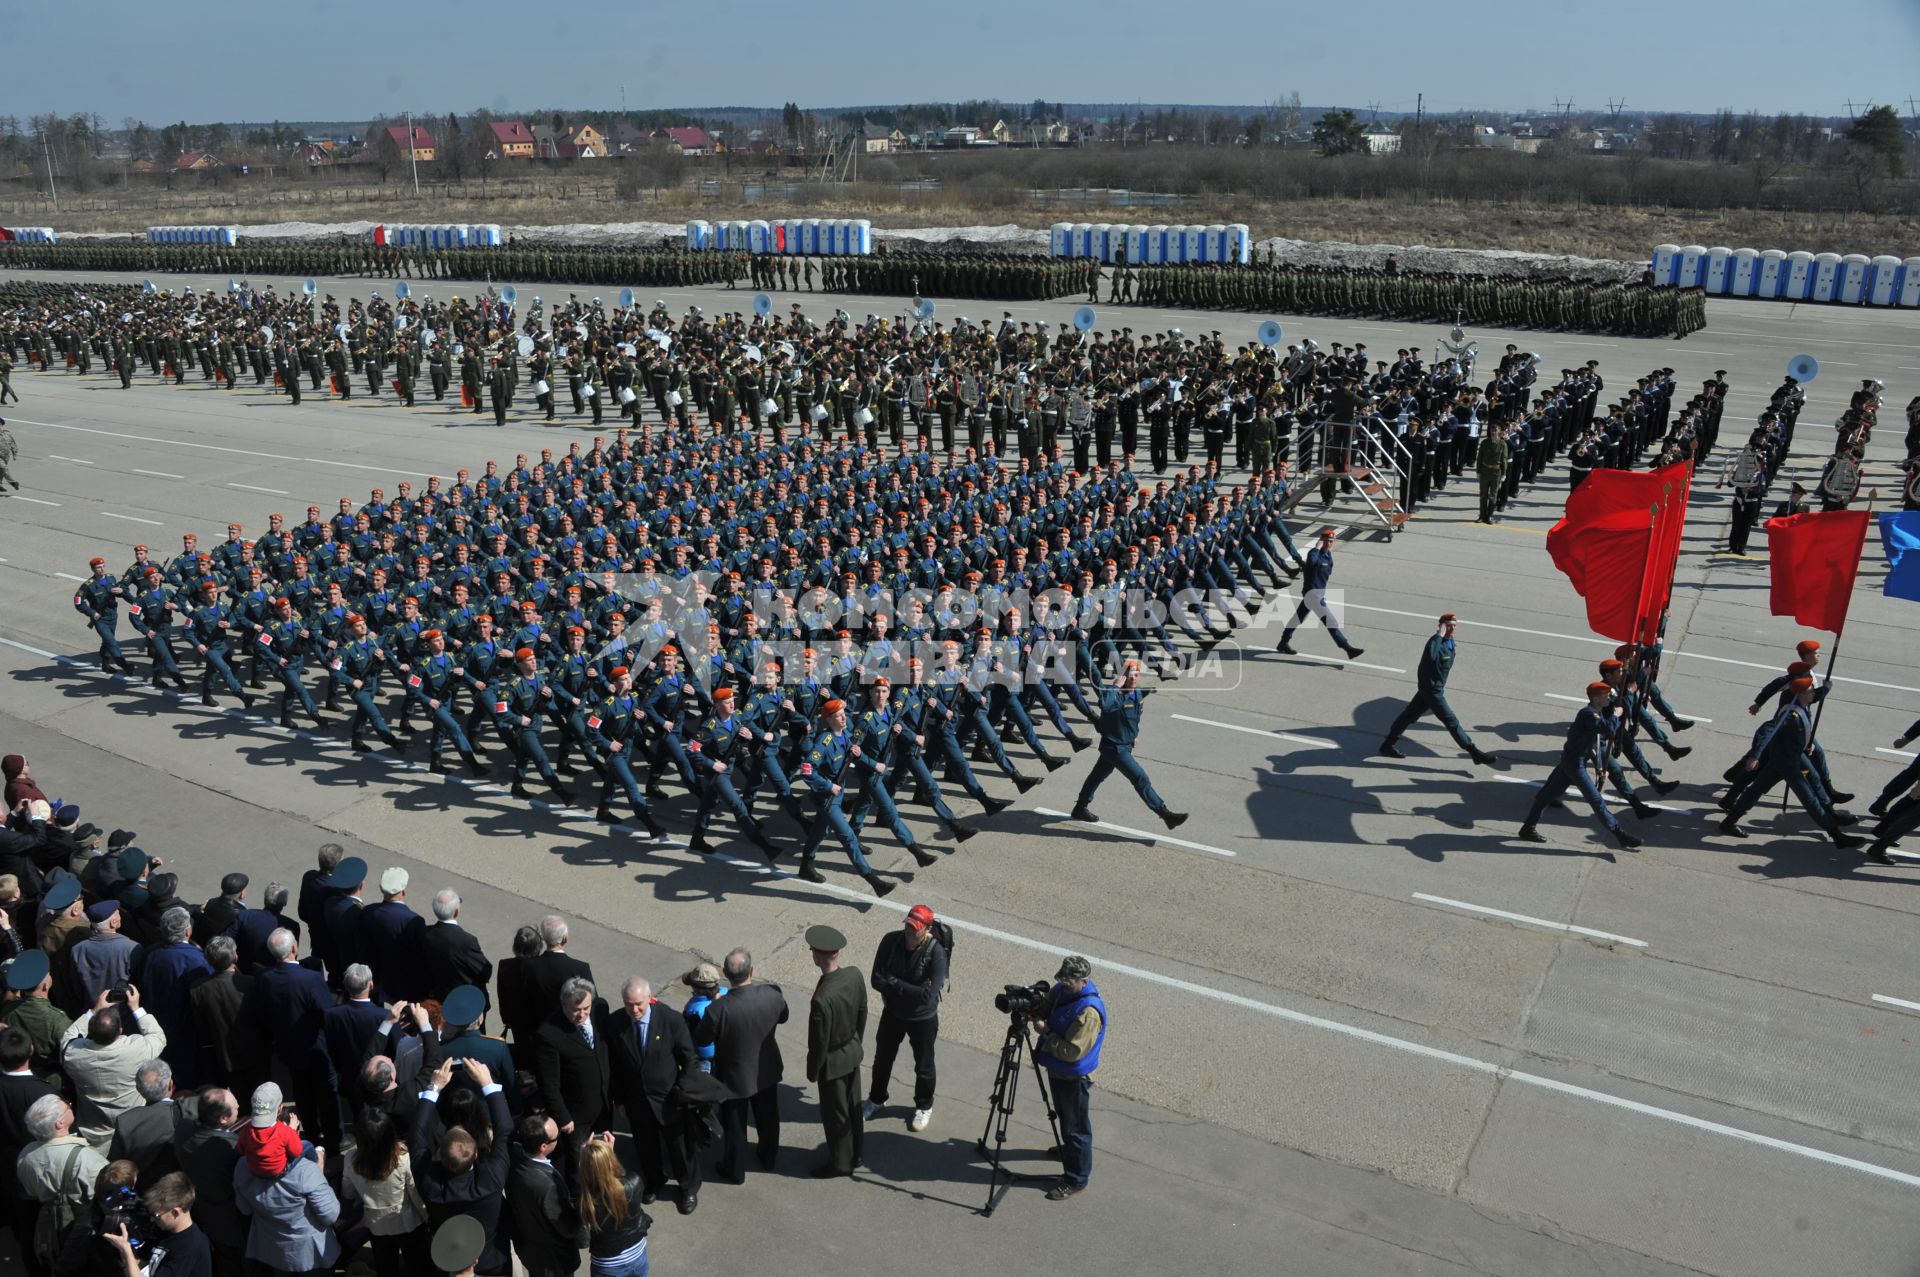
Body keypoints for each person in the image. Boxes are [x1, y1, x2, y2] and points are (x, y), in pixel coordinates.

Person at [692, 947, 787, 1184]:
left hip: (734, 1077)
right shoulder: (772, 995)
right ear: (752, 971)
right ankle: (769, 1157)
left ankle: (734, 1169)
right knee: (768, 1117)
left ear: (725, 974)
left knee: (734, 1126)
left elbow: (701, 1038)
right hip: (766, 1069)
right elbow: (783, 1016)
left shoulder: (718, 1010)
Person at [607, 977, 699, 1214]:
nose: (634, 1010)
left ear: (649, 998)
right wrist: (620, 1099)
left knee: (679, 1148)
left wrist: (683, 1092)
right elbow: (614, 1066)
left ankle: (688, 1187)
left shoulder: (670, 1020)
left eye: (638, 1004)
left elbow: (689, 1059)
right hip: (636, 1101)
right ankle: (654, 1181)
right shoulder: (616, 1023)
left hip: (669, 1099)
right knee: (645, 1146)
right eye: (629, 1004)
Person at [1517, 682, 1643, 851]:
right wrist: (1616, 715)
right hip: (1575, 765)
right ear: (1597, 698)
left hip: (1571, 761)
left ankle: (1527, 828)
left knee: (1547, 796)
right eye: (1606, 696)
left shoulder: (1595, 713)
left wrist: (1599, 767)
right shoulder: (1588, 715)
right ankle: (1619, 834)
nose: (1609, 698)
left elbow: (1593, 744)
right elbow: (1608, 729)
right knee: (1596, 800)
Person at [233, 1082, 341, 1276]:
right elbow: (330, 1214)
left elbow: (244, 1208)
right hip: (310, 1256)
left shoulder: (242, 1167)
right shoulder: (305, 1171)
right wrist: (319, 1171)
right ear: (280, 1108)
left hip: (274, 1253)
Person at [1070, 659, 1187, 829]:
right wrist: (1116, 686)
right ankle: (1165, 814)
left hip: (1124, 745)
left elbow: (1134, 717)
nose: (1133, 678)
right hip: (1115, 748)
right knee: (1140, 778)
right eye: (1129, 675)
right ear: (1122, 677)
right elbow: (1105, 705)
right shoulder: (1114, 693)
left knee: (1096, 776)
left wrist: (1134, 735)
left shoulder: (1137, 694)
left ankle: (1079, 808)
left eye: (1136, 675)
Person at [864, 904, 946, 1133]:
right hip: (892, 1013)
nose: (910, 931)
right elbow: (876, 980)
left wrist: (894, 982)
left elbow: (927, 996)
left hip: (923, 1019)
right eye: (908, 926)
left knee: (924, 1065)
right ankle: (877, 1099)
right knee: (882, 1059)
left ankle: (924, 1105)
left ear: (927, 929)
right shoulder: (890, 941)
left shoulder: (936, 953)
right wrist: (911, 989)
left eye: (916, 928)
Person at [1378, 613, 1498, 766]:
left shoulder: (1450, 641)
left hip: (1430, 688)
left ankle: (1387, 745)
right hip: (1432, 691)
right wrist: (1439, 635)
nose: (1452, 628)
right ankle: (1474, 752)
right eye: (1448, 625)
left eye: (1454, 626)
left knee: (1407, 716)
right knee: (1451, 721)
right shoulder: (1435, 642)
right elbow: (1431, 655)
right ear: (1441, 626)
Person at [1032, 955, 1106, 1202]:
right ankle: (1070, 1152)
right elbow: (1050, 1003)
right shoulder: (1063, 989)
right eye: (1062, 979)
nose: (1064, 984)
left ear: (1084, 981)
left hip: (1074, 1077)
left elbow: (1071, 1052)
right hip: (1058, 1071)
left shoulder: (1088, 1013)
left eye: (1070, 981)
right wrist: (1036, 1007)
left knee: (1076, 1128)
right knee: (1066, 1118)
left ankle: (1076, 1178)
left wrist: (1046, 1032)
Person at [60, 989, 169, 1150]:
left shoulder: (73, 1053)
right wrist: (136, 1008)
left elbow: (69, 1035)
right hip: (132, 1128)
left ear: (90, 1031)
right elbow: (158, 1037)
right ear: (120, 1031)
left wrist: (94, 1010)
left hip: (92, 1134)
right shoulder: (136, 1049)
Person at [531, 976, 612, 1184]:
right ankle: (579, 1199)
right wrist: (563, 1117)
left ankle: (605, 1184)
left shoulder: (600, 1010)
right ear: (563, 1004)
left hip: (603, 1105)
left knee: (604, 1154)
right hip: (576, 1116)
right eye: (575, 1010)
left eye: (586, 1008)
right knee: (579, 1162)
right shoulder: (549, 1035)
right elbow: (549, 1083)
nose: (582, 1015)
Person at [802, 925, 866, 1178]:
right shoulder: (854, 975)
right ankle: (856, 1152)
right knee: (853, 1107)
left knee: (836, 1115)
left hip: (832, 1062)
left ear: (817, 956)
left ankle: (840, 1163)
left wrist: (813, 1069)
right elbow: (862, 1012)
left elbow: (819, 1041)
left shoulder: (822, 999)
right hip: (852, 1051)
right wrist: (856, 1042)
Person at [342, 1104, 427, 1277]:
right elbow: (415, 1195)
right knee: (417, 1266)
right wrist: (427, 1217)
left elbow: (348, 1192)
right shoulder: (402, 1159)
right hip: (408, 1223)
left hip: (376, 1225)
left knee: (386, 1267)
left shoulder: (351, 1159)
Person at [505, 1113, 585, 1277]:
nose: (559, 1138)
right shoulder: (547, 1186)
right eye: (557, 1137)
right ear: (543, 1146)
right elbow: (567, 1227)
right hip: (553, 1263)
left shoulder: (514, 1156)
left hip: (531, 1251)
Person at [99, 1172, 212, 1277]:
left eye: (156, 1216)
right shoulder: (163, 1231)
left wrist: (125, 1249)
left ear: (175, 1212)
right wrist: (124, 1242)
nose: (152, 1220)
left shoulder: (191, 1248)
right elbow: (138, 1263)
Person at [1275, 527, 1364, 660]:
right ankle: (1347, 648)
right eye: (1327, 541)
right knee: (1331, 622)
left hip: (1317, 594)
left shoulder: (1329, 556)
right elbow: (1311, 564)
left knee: (1297, 618)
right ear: (1322, 541)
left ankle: (1283, 642)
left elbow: (1325, 576)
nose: (1330, 544)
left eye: (1332, 541)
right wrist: (1317, 548)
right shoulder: (1313, 553)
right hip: (1312, 595)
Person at [577, 1135, 652, 1277]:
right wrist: (609, 1152)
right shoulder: (634, 1182)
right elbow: (621, 1179)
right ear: (611, 1160)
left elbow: (583, 1240)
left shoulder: (584, 1202)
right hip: (637, 1255)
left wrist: (583, 1158)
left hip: (608, 1265)